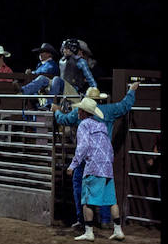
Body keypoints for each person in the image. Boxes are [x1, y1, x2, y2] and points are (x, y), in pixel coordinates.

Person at [53, 83, 140, 228]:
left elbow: (64, 120)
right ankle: (105, 220)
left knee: (80, 185)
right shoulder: (109, 110)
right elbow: (125, 105)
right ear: (99, 100)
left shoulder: (79, 114)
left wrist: (57, 111)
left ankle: (83, 221)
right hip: (105, 157)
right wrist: (131, 90)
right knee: (106, 189)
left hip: (87, 159)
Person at [67, 97, 126, 242]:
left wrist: (73, 165)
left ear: (82, 111)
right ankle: (118, 230)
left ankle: (88, 232)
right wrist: (108, 163)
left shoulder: (83, 125)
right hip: (106, 166)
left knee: (87, 200)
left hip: (93, 166)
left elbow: (83, 147)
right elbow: (109, 147)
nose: (78, 111)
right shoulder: (101, 125)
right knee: (112, 200)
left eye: (79, 109)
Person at [17, 42, 61, 109]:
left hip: (49, 86)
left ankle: (23, 91)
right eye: (40, 52)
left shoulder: (52, 64)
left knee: (41, 78)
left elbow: (45, 72)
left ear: (49, 54)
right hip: (39, 90)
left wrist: (32, 73)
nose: (40, 54)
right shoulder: (40, 65)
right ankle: (24, 91)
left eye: (43, 52)